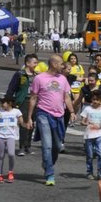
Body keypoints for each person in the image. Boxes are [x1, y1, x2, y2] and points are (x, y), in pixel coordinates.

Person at [26, 55, 73, 186]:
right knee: (47, 145)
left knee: (57, 146)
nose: (63, 66)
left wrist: (73, 112)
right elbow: (33, 98)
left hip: (59, 116)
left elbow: (67, 97)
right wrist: (30, 117)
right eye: (60, 64)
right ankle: (50, 174)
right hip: (43, 114)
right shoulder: (39, 78)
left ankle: (47, 163)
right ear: (53, 64)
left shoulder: (63, 79)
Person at [4, 54, 38, 155]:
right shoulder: (20, 74)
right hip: (23, 101)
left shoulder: (37, 75)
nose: (37, 64)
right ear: (28, 63)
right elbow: (11, 88)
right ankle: (22, 147)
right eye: (34, 62)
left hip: (35, 102)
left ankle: (28, 146)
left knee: (32, 124)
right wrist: (7, 101)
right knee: (24, 124)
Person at [77, 88, 101, 181]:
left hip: (100, 134)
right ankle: (89, 172)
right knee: (90, 155)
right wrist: (87, 123)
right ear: (91, 100)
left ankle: (100, 172)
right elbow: (82, 122)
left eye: (97, 100)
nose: (95, 101)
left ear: (100, 100)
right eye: (93, 99)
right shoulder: (87, 109)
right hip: (89, 135)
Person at [0, 94, 22, 184]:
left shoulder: (16, 112)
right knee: (1, 155)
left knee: (11, 154)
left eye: (3, 102)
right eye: (1, 103)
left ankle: (10, 172)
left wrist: (26, 124)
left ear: (9, 103)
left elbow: (21, 122)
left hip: (11, 136)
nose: (1, 104)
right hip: (1, 135)